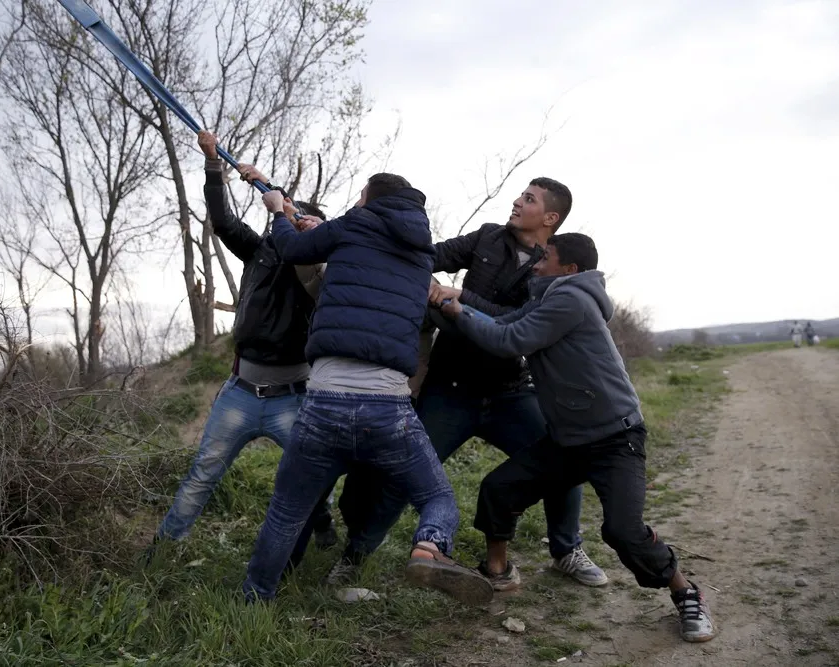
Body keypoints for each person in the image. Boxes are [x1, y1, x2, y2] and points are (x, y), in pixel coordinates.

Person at [436, 232, 716, 643]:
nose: (536, 262)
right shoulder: (547, 301)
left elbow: (508, 341)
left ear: (569, 269)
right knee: (500, 488)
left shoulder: (570, 300)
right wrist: (449, 305)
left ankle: (687, 593)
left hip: (615, 438)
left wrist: (455, 307)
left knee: (623, 531)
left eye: (545, 257)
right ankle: (498, 572)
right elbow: (499, 324)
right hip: (569, 439)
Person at [333, 178, 607, 590]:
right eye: (520, 194)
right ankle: (354, 557)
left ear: (549, 217)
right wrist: (399, 262)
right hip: (451, 389)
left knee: (563, 459)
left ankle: (566, 549)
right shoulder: (486, 237)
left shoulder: (553, 267)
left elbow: (512, 322)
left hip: (510, 392)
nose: (516, 201)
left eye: (528, 199)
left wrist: (458, 297)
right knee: (403, 476)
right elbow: (430, 255)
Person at [241, 173, 493, 606]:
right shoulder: (422, 256)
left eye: (360, 197)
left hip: (324, 400)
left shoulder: (354, 225)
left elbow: (292, 250)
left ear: (371, 200)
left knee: (286, 512)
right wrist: (319, 230)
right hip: (389, 406)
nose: (356, 204)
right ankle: (429, 547)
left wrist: (279, 213)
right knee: (436, 498)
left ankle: (254, 600)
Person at [150, 131, 338, 564]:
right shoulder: (259, 252)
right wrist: (214, 163)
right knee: (203, 474)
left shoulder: (320, 272)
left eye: (301, 221)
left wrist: (277, 195)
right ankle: (161, 555)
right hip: (240, 391)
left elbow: (301, 236)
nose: (289, 224)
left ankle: (323, 522)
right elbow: (221, 219)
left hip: (292, 397)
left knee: (308, 477)